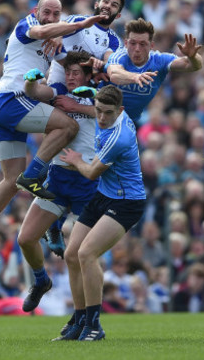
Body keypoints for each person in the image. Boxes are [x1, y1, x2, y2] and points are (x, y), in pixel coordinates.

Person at [0, 0, 106, 262]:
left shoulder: (52, 42)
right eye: (47, 12)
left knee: (9, 180)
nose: (51, 18)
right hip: (12, 100)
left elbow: (74, 63)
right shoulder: (26, 26)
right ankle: (33, 176)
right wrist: (81, 24)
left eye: (56, 14)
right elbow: (41, 31)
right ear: (35, 11)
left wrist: (101, 65)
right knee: (68, 126)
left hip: (2, 110)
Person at [57, 85, 146, 341]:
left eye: (108, 113)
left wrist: (75, 160)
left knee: (87, 253)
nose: (102, 118)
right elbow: (99, 97)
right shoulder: (108, 109)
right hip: (105, 195)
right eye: (98, 111)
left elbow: (91, 172)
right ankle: (79, 320)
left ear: (120, 111)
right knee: (71, 254)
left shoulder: (118, 137)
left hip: (126, 202)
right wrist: (90, 91)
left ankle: (94, 326)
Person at [43, 0, 126, 257]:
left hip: (83, 86)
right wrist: (56, 38)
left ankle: (57, 217)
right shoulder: (73, 21)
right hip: (59, 81)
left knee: (79, 135)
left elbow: (108, 64)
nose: (108, 6)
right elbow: (52, 33)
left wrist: (103, 66)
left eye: (114, 4)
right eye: (105, 0)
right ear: (96, 2)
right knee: (60, 130)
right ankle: (44, 193)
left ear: (118, 12)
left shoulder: (113, 41)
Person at [16, 51, 98, 313]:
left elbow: (114, 110)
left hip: (88, 181)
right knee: (26, 239)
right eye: (69, 72)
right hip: (59, 177)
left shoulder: (97, 92)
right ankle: (41, 281)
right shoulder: (59, 90)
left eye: (77, 73)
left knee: (83, 256)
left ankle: (86, 317)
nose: (71, 77)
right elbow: (36, 93)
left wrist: (76, 107)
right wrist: (30, 82)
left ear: (87, 75)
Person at [105, 18, 203, 126]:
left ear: (151, 46)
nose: (137, 49)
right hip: (102, 116)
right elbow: (114, 74)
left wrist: (193, 56)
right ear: (126, 43)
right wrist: (136, 77)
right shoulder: (120, 56)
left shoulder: (159, 60)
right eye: (133, 43)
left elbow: (193, 65)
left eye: (142, 44)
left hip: (130, 122)